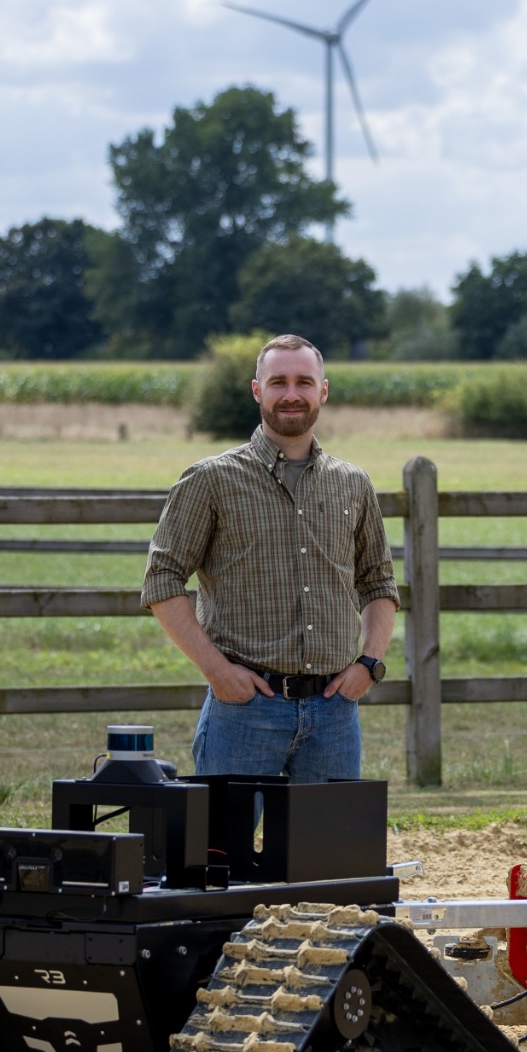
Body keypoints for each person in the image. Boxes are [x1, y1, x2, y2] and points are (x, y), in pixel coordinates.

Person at [142, 333, 397, 783]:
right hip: (244, 710)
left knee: (329, 853)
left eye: (304, 382)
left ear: (323, 390)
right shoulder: (210, 480)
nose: (292, 394)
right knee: (222, 852)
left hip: (335, 714)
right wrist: (218, 672)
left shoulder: (353, 483)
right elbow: (162, 580)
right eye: (278, 382)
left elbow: (378, 583)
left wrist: (369, 665)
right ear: (257, 390)